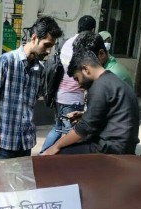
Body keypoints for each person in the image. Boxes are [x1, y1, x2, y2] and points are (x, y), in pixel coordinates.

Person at [0, 16, 63, 160]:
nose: (48, 51)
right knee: (0, 182)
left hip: (25, 143)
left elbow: (33, 102)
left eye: (50, 47)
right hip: (4, 141)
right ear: (34, 38)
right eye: (46, 45)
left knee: (22, 182)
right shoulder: (7, 60)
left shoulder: (40, 69)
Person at [42, 49, 139, 156]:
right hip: (124, 146)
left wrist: (55, 146)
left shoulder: (99, 86)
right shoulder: (115, 81)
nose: (79, 85)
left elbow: (84, 128)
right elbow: (110, 113)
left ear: (85, 69)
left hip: (111, 148)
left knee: (58, 153)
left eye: (77, 78)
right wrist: (84, 115)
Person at [39, 15, 95, 153]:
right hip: (73, 98)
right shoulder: (86, 46)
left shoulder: (66, 42)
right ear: (93, 30)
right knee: (68, 134)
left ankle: (42, 155)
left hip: (59, 95)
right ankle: (56, 163)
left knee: (57, 128)